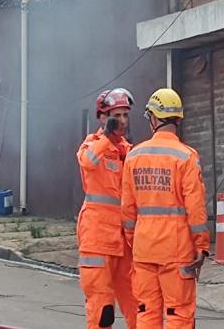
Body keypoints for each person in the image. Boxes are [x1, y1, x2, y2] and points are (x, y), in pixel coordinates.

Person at [121, 88, 210, 328]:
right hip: (177, 250)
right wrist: (201, 245)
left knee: (147, 311)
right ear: (178, 119)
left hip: (144, 248)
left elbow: (127, 210)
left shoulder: (133, 156)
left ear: (153, 118)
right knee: (178, 313)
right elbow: (196, 209)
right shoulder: (186, 157)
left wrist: (133, 240)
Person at [76, 88, 138, 328]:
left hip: (125, 242)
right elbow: (88, 162)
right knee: (102, 311)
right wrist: (107, 139)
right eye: (117, 116)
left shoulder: (129, 151)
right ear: (103, 118)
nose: (122, 121)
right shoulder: (92, 145)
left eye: (125, 115)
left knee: (137, 304)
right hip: (98, 239)